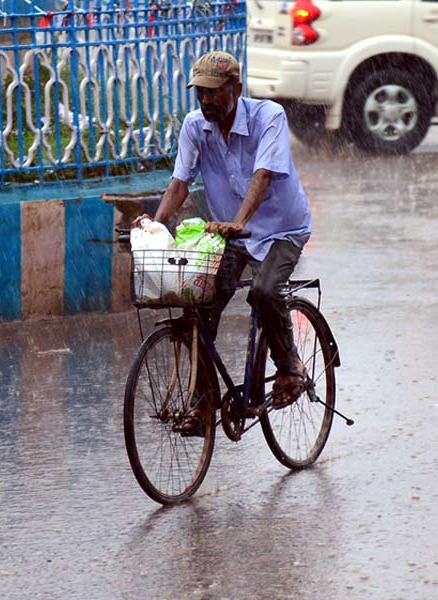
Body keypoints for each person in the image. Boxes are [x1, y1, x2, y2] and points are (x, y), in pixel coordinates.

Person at [133, 51, 313, 434]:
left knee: (264, 291)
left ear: (236, 88)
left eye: (214, 92)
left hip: (282, 228)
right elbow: (179, 184)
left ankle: (290, 367)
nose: (206, 101)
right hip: (230, 233)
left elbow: (263, 175)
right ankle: (203, 404)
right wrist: (154, 223)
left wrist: (239, 221)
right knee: (199, 305)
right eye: (200, 93)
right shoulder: (196, 127)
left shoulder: (269, 118)